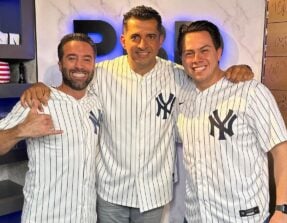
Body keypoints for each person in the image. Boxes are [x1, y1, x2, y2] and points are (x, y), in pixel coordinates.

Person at [20, 6, 254, 223]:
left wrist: (235, 71)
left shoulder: (179, 75)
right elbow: (72, 82)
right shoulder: (101, 74)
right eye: (135, 37)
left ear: (160, 39)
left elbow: (208, 77)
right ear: (123, 40)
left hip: (153, 193)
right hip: (110, 191)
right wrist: (39, 86)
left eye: (151, 36)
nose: (143, 44)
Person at [176, 20, 287, 223]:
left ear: (219, 52)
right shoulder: (182, 95)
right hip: (196, 216)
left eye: (204, 50)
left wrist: (283, 211)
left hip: (244, 218)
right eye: (189, 53)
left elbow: (283, 152)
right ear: (182, 58)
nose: (197, 59)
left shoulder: (250, 91)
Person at [0, 33, 101, 223]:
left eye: (86, 59)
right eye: (71, 58)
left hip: (86, 217)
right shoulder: (37, 101)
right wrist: (20, 130)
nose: (79, 66)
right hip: (45, 216)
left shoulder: (96, 103)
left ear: (93, 64)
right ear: (60, 64)